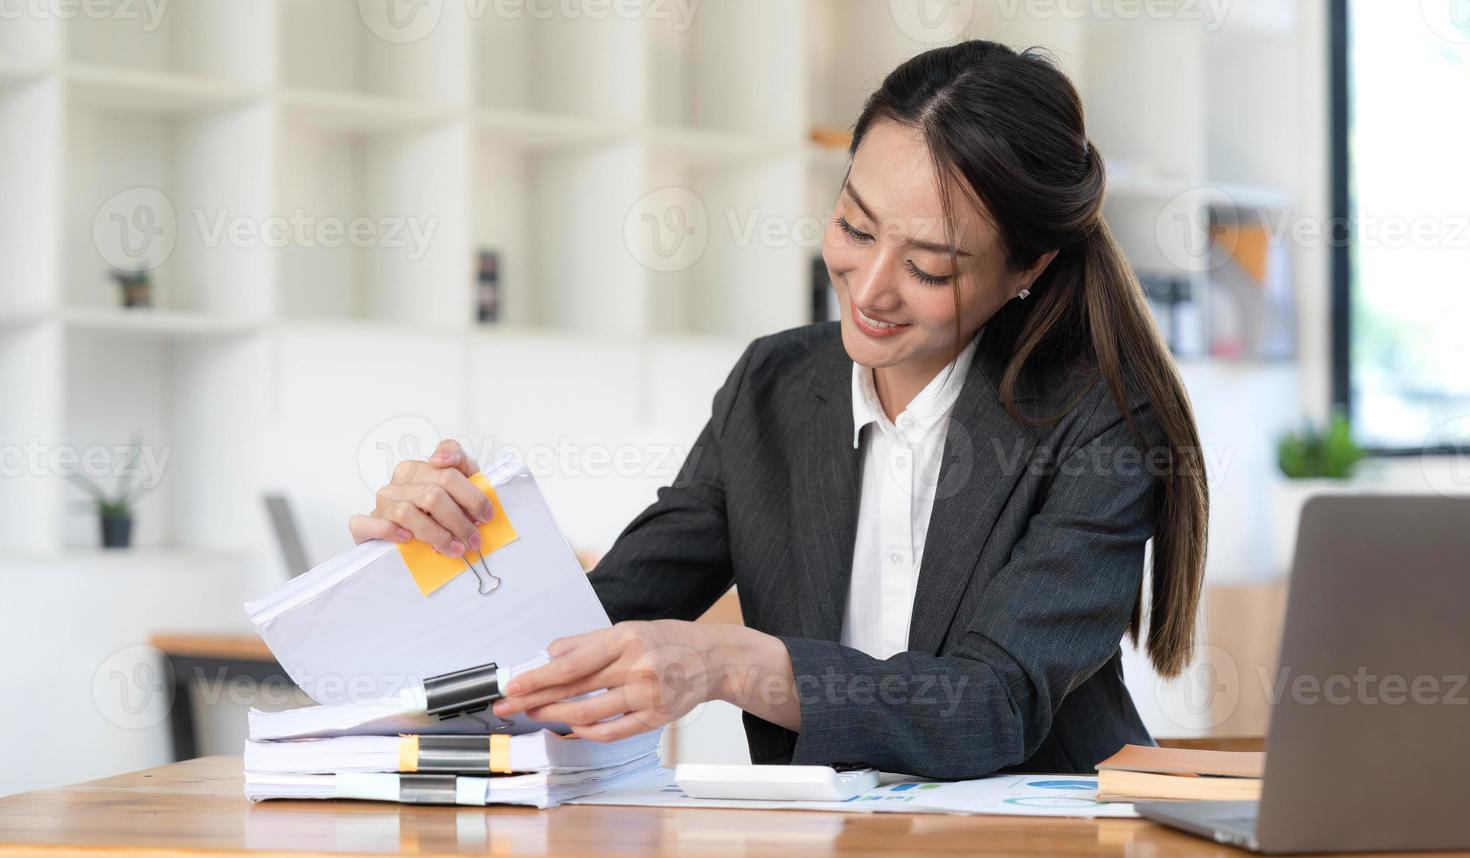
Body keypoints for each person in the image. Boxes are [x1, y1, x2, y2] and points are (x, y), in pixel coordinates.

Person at [349, 40, 1209, 778]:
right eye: (855, 227)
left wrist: (732, 662)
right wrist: (452, 559)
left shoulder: (1098, 420)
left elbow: (993, 706)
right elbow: (585, 631)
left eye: (932, 268)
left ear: (1027, 270)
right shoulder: (774, 387)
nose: (869, 291)